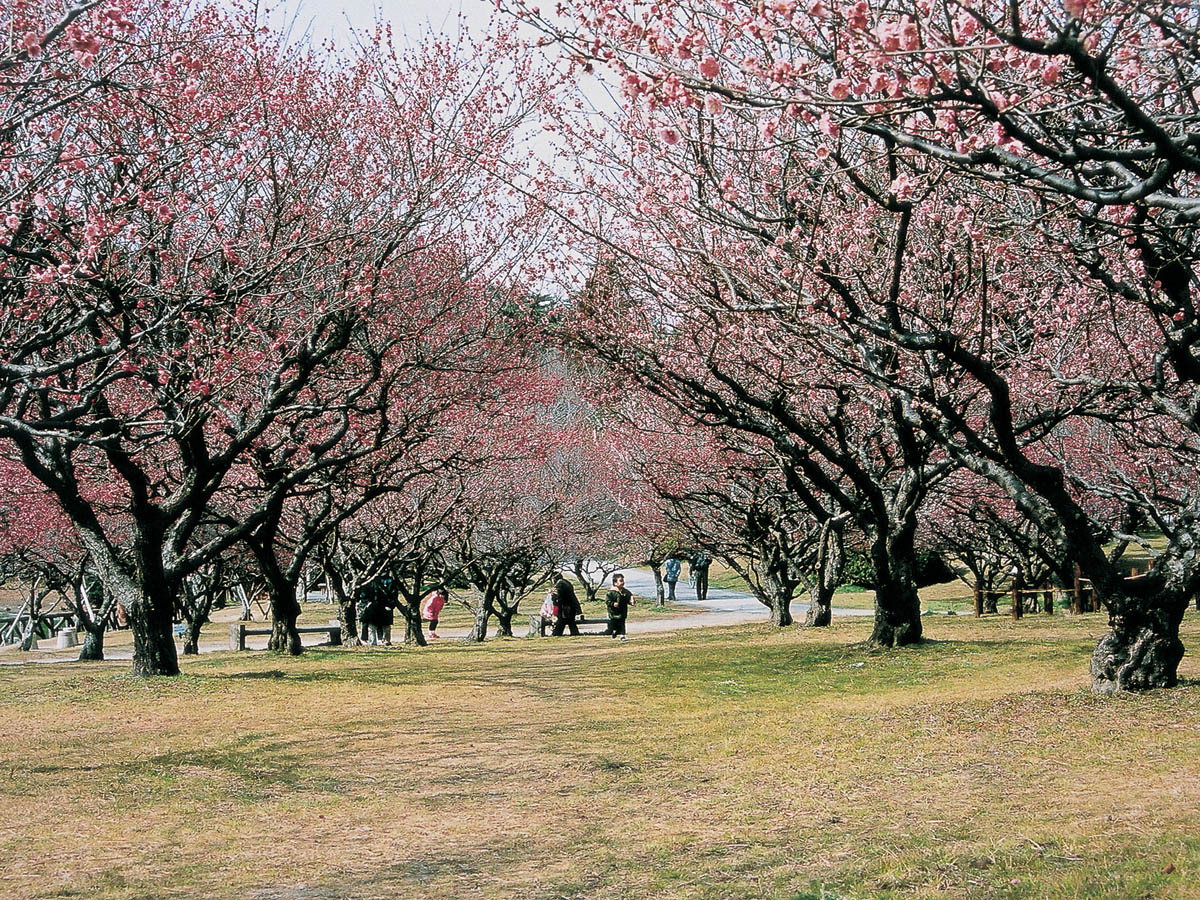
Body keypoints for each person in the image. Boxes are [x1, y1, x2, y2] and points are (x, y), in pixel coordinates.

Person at [605, 572, 632, 640]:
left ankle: (622, 635)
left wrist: (631, 601)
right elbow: (607, 601)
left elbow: (629, 596)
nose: (622, 582)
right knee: (615, 624)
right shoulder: (611, 592)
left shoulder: (624, 591)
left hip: (622, 612)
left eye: (623, 580)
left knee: (622, 624)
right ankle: (615, 631)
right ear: (615, 583)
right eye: (620, 581)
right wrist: (613, 604)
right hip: (613, 612)